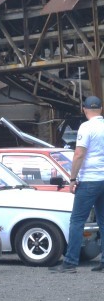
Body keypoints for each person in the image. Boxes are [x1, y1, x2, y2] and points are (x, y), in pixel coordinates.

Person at [53, 95, 104, 272]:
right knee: (103, 221)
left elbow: (79, 154)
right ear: (101, 109)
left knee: (77, 221)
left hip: (90, 179)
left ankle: (70, 262)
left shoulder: (86, 127)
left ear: (84, 109)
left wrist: (73, 179)